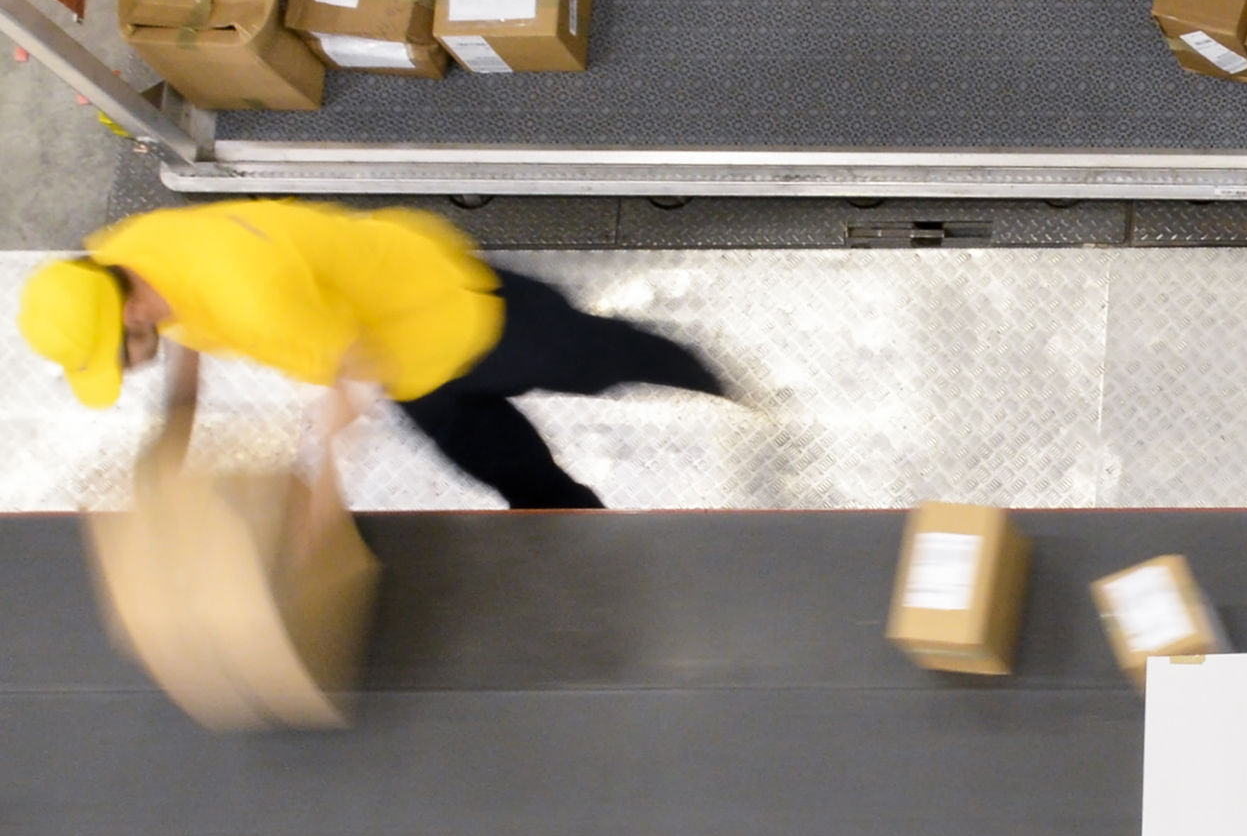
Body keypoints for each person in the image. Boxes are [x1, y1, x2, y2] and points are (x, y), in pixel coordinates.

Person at [16, 199, 727, 510]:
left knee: (600, 360)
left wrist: (318, 511)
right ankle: (581, 538)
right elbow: (188, 335)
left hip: (454, 315)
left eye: (119, 355)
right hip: (408, 368)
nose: (126, 367)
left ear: (131, 313)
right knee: (514, 474)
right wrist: (178, 424)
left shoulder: (250, 294)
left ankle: (710, 376)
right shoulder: (120, 254)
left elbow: (355, 374)